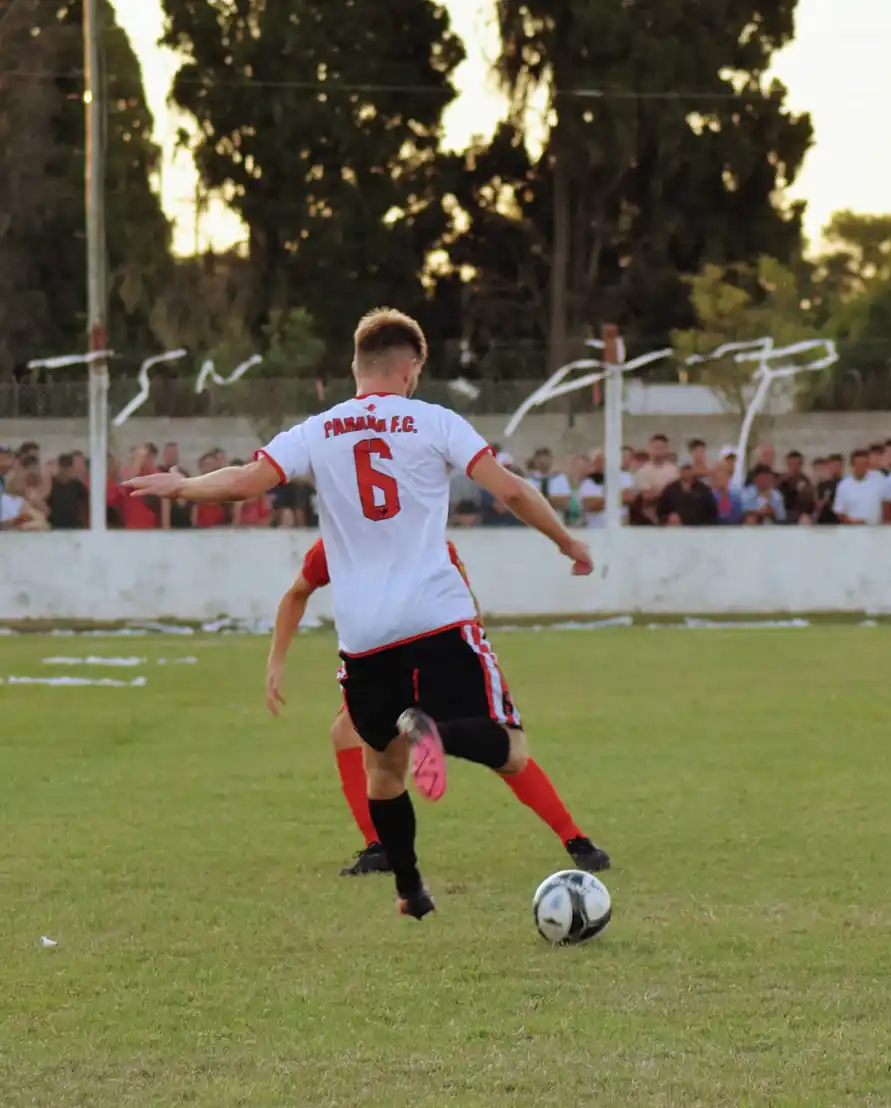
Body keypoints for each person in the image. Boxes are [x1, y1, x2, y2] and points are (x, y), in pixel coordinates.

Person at [126, 306, 599, 920]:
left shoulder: (317, 431)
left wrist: (183, 485)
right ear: (412, 369)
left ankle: (411, 891)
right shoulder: (436, 421)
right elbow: (507, 489)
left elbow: (246, 482)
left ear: (355, 365)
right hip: (436, 616)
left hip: (365, 637)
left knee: (383, 772)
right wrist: (566, 542)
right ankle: (439, 733)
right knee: (507, 745)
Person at [267, 536, 608, 877]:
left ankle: (382, 843)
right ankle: (575, 839)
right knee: (504, 751)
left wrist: (276, 662)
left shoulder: (338, 542)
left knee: (361, 742)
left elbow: (297, 592)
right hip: (426, 654)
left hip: (383, 658)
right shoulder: (421, 533)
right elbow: (466, 597)